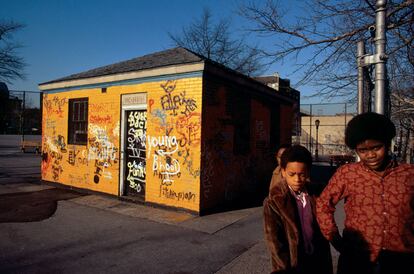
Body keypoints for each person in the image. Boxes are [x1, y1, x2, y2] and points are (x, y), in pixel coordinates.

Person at [316, 112, 414, 274]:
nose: (370, 155)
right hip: (357, 261)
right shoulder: (347, 173)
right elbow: (323, 204)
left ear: (387, 143)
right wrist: (335, 238)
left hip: (402, 261)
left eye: (376, 147)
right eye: (363, 150)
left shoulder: (409, 174)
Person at [263, 145, 333, 274]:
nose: (297, 179)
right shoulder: (274, 202)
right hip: (294, 264)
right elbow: (275, 242)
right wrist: (283, 269)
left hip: (317, 260)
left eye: (302, 174)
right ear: (283, 171)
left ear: (308, 172)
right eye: (292, 174)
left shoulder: (317, 193)